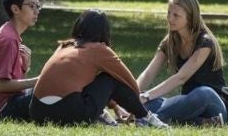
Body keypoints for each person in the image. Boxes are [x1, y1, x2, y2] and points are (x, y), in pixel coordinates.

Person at [29, 9, 168, 128]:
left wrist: (114, 106)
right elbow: (129, 82)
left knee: (89, 79)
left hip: (37, 112)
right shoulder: (100, 49)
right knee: (109, 78)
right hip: (68, 113)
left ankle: (102, 114)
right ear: (104, 31)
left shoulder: (64, 46)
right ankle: (145, 118)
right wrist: (136, 108)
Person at [136, 0, 227, 126]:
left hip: (211, 104)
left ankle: (151, 119)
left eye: (176, 15)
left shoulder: (205, 42)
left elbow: (181, 77)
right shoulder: (170, 42)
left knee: (203, 92)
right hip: (186, 104)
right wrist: (132, 97)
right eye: (169, 13)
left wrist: (146, 96)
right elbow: (149, 73)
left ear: (190, 18)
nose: (170, 19)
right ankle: (201, 122)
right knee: (147, 101)